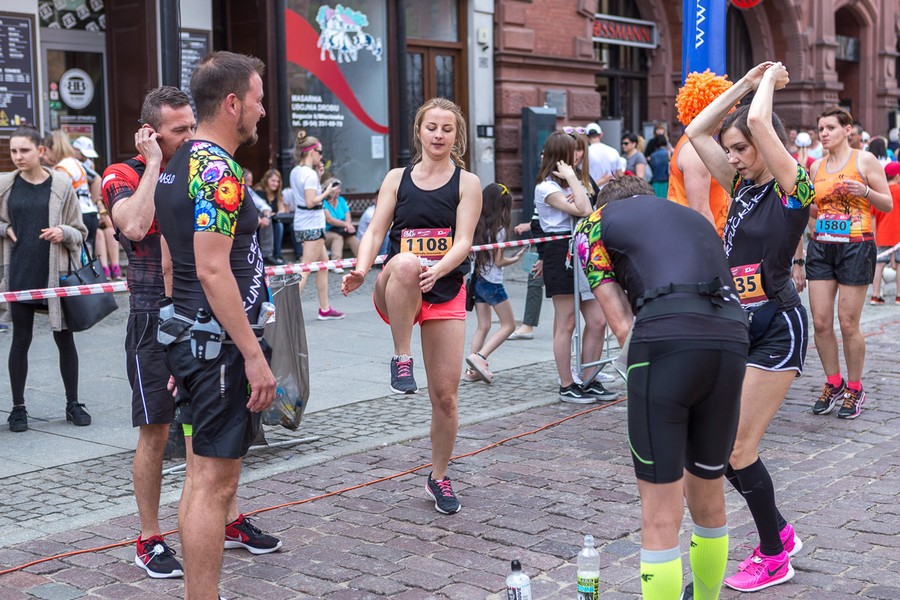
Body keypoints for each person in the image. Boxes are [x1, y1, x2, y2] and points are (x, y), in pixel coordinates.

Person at [574, 176, 749, 600]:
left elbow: (620, 325)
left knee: (659, 516)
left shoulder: (592, 224)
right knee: (708, 494)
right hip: (731, 336)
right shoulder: (693, 217)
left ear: (605, 204)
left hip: (666, 338)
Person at [686, 61, 814, 593]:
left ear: (769, 146)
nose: (735, 157)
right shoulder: (739, 185)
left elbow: (762, 124)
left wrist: (768, 84)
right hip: (738, 327)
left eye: (742, 148)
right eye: (732, 149)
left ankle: (773, 554)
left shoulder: (794, 189)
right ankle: (779, 532)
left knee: (738, 449)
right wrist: (742, 84)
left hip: (779, 327)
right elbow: (695, 132)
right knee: (719, 449)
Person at [153, 51, 277, 600]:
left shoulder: (177, 161)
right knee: (213, 482)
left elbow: (172, 262)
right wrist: (252, 353)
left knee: (201, 475)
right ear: (232, 104)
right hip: (218, 345)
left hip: (194, 338)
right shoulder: (216, 169)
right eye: (257, 100)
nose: (262, 111)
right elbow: (209, 266)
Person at [342, 97, 482, 514]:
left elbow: (464, 241)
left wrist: (438, 269)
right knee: (404, 260)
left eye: (447, 129)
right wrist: (362, 269)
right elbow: (374, 231)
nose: (438, 135)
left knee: (446, 398)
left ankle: (438, 476)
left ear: (457, 136)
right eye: (431, 127)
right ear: (418, 131)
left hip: (443, 287)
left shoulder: (467, 183)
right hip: (399, 288)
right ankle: (401, 357)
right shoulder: (396, 179)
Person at [103, 86, 195, 579]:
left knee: (209, 423)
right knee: (156, 429)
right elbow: (135, 226)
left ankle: (217, 517)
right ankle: (149, 537)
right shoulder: (124, 174)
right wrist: (156, 164)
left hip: (200, 310)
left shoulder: (201, 170)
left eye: (190, 126)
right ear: (150, 132)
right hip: (149, 315)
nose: (189, 136)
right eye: (178, 129)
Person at [1, 126, 89, 432]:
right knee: (20, 340)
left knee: (65, 339)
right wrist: (4, 229)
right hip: (21, 273)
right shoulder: (6, 185)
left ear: (40, 151)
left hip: (56, 275)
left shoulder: (62, 184)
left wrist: (62, 232)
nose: (17, 157)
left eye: (24, 150)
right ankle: (18, 408)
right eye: (13, 151)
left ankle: (73, 403)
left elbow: (80, 230)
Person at [807, 107, 892, 419]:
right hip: (822, 246)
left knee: (847, 321)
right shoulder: (815, 167)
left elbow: (888, 203)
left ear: (847, 130)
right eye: (820, 128)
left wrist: (865, 190)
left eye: (830, 127)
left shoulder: (864, 160)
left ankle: (855, 387)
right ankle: (834, 382)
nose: (824, 133)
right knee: (819, 321)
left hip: (856, 246)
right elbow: (812, 209)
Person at [534, 131, 615, 403]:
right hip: (561, 252)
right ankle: (567, 383)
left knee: (598, 320)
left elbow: (587, 207)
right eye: (572, 152)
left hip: (582, 248)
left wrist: (575, 184)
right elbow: (584, 209)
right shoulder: (546, 187)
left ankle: (588, 377)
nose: (577, 156)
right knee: (567, 322)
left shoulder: (574, 182)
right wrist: (571, 179)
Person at [464, 182, 525, 383]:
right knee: (508, 325)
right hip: (492, 283)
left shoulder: (476, 224)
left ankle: (472, 371)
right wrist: (514, 259)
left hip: (477, 281)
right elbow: (498, 261)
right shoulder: (499, 230)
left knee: (483, 326)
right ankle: (479, 358)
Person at [668, 70, 733, 237]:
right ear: (704, 111)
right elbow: (700, 211)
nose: (726, 114)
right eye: (719, 109)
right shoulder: (695, 150)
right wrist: (715, 250)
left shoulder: (701, 143)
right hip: (700, 240)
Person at [290, 130, 345, 320]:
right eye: (320, 152)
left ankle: (325, 308)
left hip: (304, 223)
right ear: (311, 151)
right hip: (312, 224)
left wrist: (319, 178)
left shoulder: (297, 171)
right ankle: (285, 309)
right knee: (305, 268)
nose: (321, 156)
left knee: (323, 265)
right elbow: (311, 201)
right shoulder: (309, 174)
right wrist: (327, 190)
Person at [43, 131, 101, 254]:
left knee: (77, 258)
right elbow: (97, 179)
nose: (45, 155)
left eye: (46, 151)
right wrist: (92, 202)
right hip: (90, 213)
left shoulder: (62, 168)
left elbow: (60, 195)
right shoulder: (76, 162)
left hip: (78, 215)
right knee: (87, 256)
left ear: (53, 148)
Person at [869, 161, 900, 304]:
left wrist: (874, 233)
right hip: (898, 234)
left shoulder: (880, 193)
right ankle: (899, 296)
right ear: (897, 176)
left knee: (879, 264)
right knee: (899, 264)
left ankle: (875, 295)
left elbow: (873, 216)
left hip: (882, 233)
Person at [322, 177, 358, 270]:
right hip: (327, 232)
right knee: (337, 237)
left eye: (339, 188)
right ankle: (336, 264)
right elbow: (330, 220)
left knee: (352, 238)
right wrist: (346, 225)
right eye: (337, 188)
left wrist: (348, 225)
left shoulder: (341, 200)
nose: (339, 190)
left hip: (341, 230)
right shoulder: (323, 202)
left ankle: (362, 262)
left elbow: (348, 215)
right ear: (330, 189)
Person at [257, 168, 287, 264]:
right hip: (261, 223)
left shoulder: (277, 193)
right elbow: (260, 210)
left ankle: (278, 255)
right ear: (266, 180)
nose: (275, 184)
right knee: (278, 225)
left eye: (277, 181)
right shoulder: (259, 192)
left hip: (274, 221)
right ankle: (271, 255)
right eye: (273, 181)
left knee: (282, 225)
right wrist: (271, 213)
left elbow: (282, 210)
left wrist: (276, 213)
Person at [585, 122, 622, 188]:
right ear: (601, 135)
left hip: (594, 192)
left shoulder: (585, 153)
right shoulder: (613, 151)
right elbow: (620, 175)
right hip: (612, 190)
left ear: (587, 137)